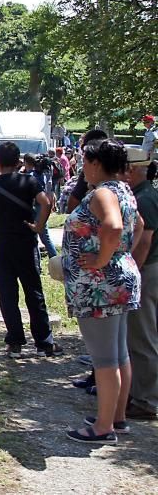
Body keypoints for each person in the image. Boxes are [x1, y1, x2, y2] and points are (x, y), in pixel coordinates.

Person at [62, 139, 142, 443]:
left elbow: (114, 227)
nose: (83, 168)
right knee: (118, 353)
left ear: (96, 164)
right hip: (117, 281)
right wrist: (120, 257)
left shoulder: (103, 193)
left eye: (85, 162)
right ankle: (116, 417)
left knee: (104, 359)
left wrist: (103, 259)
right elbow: (138, 224)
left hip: (100, 286)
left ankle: (103, 427)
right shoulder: (124, 190)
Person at [0, 142, 62, 358]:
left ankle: (15, 341)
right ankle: (44, 342)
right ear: (18, 161)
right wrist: (38, 225)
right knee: (34, 291)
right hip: (26, 241)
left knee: (7, 293)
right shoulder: (29, 181)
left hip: (2, 241)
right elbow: (45, 203)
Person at [126, 151, 158, 420]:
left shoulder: (144, 198)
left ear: (133, 171)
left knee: (142, 336)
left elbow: (145, 241)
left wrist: (132, 272)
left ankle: (146, 400)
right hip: (149, 269)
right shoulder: (146, 194)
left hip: (147, 270)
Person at [23, 153, 58, 259]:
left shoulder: (30, 176)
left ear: (26, 162)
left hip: (36, 208)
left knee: (41, 236)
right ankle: (50, 258)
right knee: (42, 236)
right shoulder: (40, 174)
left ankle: (54, 258)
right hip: (42, 207)